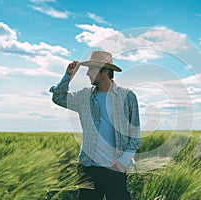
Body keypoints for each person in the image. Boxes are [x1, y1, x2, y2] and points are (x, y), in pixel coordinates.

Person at [49, 51, 141, 200]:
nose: (87, 74)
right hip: (88, 168)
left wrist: (122, 163)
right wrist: (68, 76)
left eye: (91, 69)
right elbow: (58, 97)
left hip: (115, 169)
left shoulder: (127, 96)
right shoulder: (83, 96)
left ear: (104, 71)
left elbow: (135, 136)